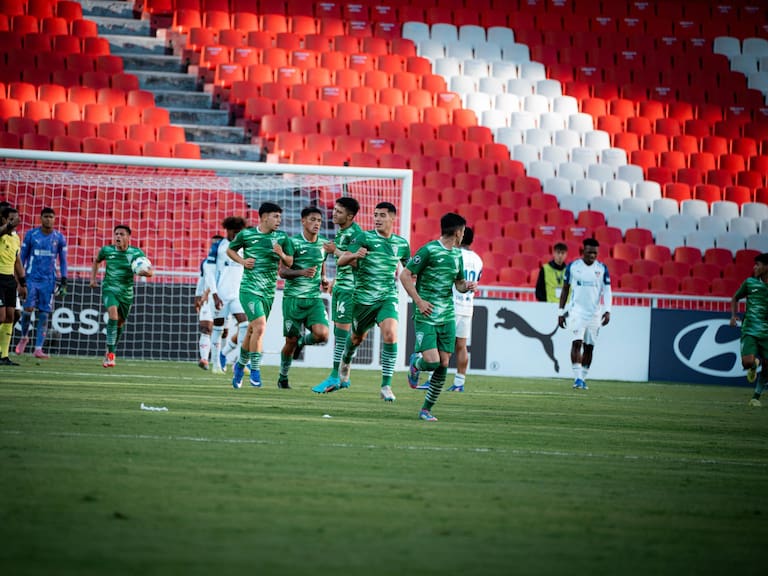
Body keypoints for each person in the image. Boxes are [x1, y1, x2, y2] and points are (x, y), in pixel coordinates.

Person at [401, 213, 477, 421]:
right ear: (457, 231)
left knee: (444, 364)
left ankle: (426, 409)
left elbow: (459, 284)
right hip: (426, 314)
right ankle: (416, 363)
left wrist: (466, 286)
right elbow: (405, 275)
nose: (464, 235)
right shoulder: (429, 250)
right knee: (432, 362)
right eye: (463, 231)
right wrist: (418, 301)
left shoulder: (457, 256)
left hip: (447, 316)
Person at [335, 201, 410, 402]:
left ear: (393, 218)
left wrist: (418, 292)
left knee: (390, 334)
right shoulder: (364, 237)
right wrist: (354, 255)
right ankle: (346, 359)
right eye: (375, 215)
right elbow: (340, 261)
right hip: (363, 300)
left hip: (387, 297)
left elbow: (409, 272)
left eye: (382, 215)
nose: (377, 218)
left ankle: (386, 385)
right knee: (357, 338)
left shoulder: (401, 244)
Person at [226, 202, 294, 389]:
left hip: (268, 291)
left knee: (252, 330)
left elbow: (290, 261)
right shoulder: (247, 234)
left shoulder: (282, 237)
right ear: (264, 217)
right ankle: (254, 370)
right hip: (249, 290)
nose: (279, 220)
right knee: (260, 327)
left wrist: (281, 254)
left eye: (280, 217)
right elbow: (230, 249)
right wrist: (242, 261)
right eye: (275, 216)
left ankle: (239, 366)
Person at [276, 206, 331, 389]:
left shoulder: (323, 244)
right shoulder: (292, 243)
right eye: (313, 219)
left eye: (319, 221)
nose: (317, 224)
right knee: (289, 342)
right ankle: (283, 377)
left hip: (314, 299)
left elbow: (321, 261)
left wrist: (323, 278)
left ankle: (302, 341)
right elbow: (283, 272)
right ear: (303, 221)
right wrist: (301, 272)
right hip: (293, 299)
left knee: (322, 334)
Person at [312, 196, 362, 394]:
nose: (334, 213)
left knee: (341, 334)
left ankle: (335, 376)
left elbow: (357, 261)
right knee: (346, 334)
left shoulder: (356, 234)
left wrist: (336, 250)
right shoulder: (343, 231)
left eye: (339, 212)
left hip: (350, 290)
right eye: (334, 210)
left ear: (350, 216)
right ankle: (343, 375)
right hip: (342, 286)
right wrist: (334, 280)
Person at [89, 225, 154, 368]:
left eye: (121, 234)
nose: (118, 236)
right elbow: (96, 261)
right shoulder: (107, 250)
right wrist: (93, 278)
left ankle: (111, 350)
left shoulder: (136, 253)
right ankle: (111, 355)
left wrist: (144, 273)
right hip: (110, 289)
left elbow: (150, 271)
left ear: (128, 237)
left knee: (120, 323)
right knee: (113, 316)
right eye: (116, 234)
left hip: (126, 293)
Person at [557, 238, 611, 390]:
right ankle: (578, 378)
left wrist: (608, 310)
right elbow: (565, 289)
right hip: (577, 312)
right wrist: (560, 312)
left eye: (595, 253)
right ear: (583, 252)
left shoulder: (602, 269)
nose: (592, 255)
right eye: (589, 252)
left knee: (589, 347)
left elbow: (607, 291)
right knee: (576, 343)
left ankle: (583, 377)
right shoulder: (573, 267)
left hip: (595, 314)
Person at [15, 207, 68, 359]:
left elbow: (63, 261)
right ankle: (24, 337)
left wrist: (64, 280)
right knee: (27, 311)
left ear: (55, 219)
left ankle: (38, 348)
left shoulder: (59, 237)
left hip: (48, 281)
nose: (48, 219)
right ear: (40, 218)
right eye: (45, 216)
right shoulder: (31, 235)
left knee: (44, 314)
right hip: (31, 279)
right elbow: (22, 257)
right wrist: (20, 279)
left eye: (51, 217)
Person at [204, 217, 247, 375]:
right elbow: (209, 271)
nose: (237, 235)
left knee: (245, 325)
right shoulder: (219, 247)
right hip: (220, 295)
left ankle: (242, 363)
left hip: (237, 296)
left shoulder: (244, 247)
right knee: (218, 329)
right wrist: (214, 295)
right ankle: (216, 364)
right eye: (234, 232)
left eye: (239, 232)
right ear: (227, 230)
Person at [729, 252, 768, 407]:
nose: (754, 267)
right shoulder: (750, 283)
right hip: (750, 329)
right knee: (747, 362)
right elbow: (735, 297)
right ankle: (753, 365)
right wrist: (733, 315)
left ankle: (756, 397)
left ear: (766, 267)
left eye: (758, 264)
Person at [0, 205, 27, 366]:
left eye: (16, 219)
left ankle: (3, 355)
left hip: (9, 280)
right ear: (3, 219)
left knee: (11, 316)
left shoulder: (16, 238)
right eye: (11, 219)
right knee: (1, 317)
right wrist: (9, 225)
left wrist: (23, 283)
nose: (15, 222)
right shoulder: (1, 234)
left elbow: (18, 262)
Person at [193, 235, 222, 370]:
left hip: (222, 299)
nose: (214, 246)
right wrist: (197, 297)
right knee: (205, 328)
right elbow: (202, 280)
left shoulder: (227, 262)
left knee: (222, 331)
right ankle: (204, 359)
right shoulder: (205, 263)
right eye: (213, 243)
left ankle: (219, 360)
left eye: (217, 243)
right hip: (207, 300)